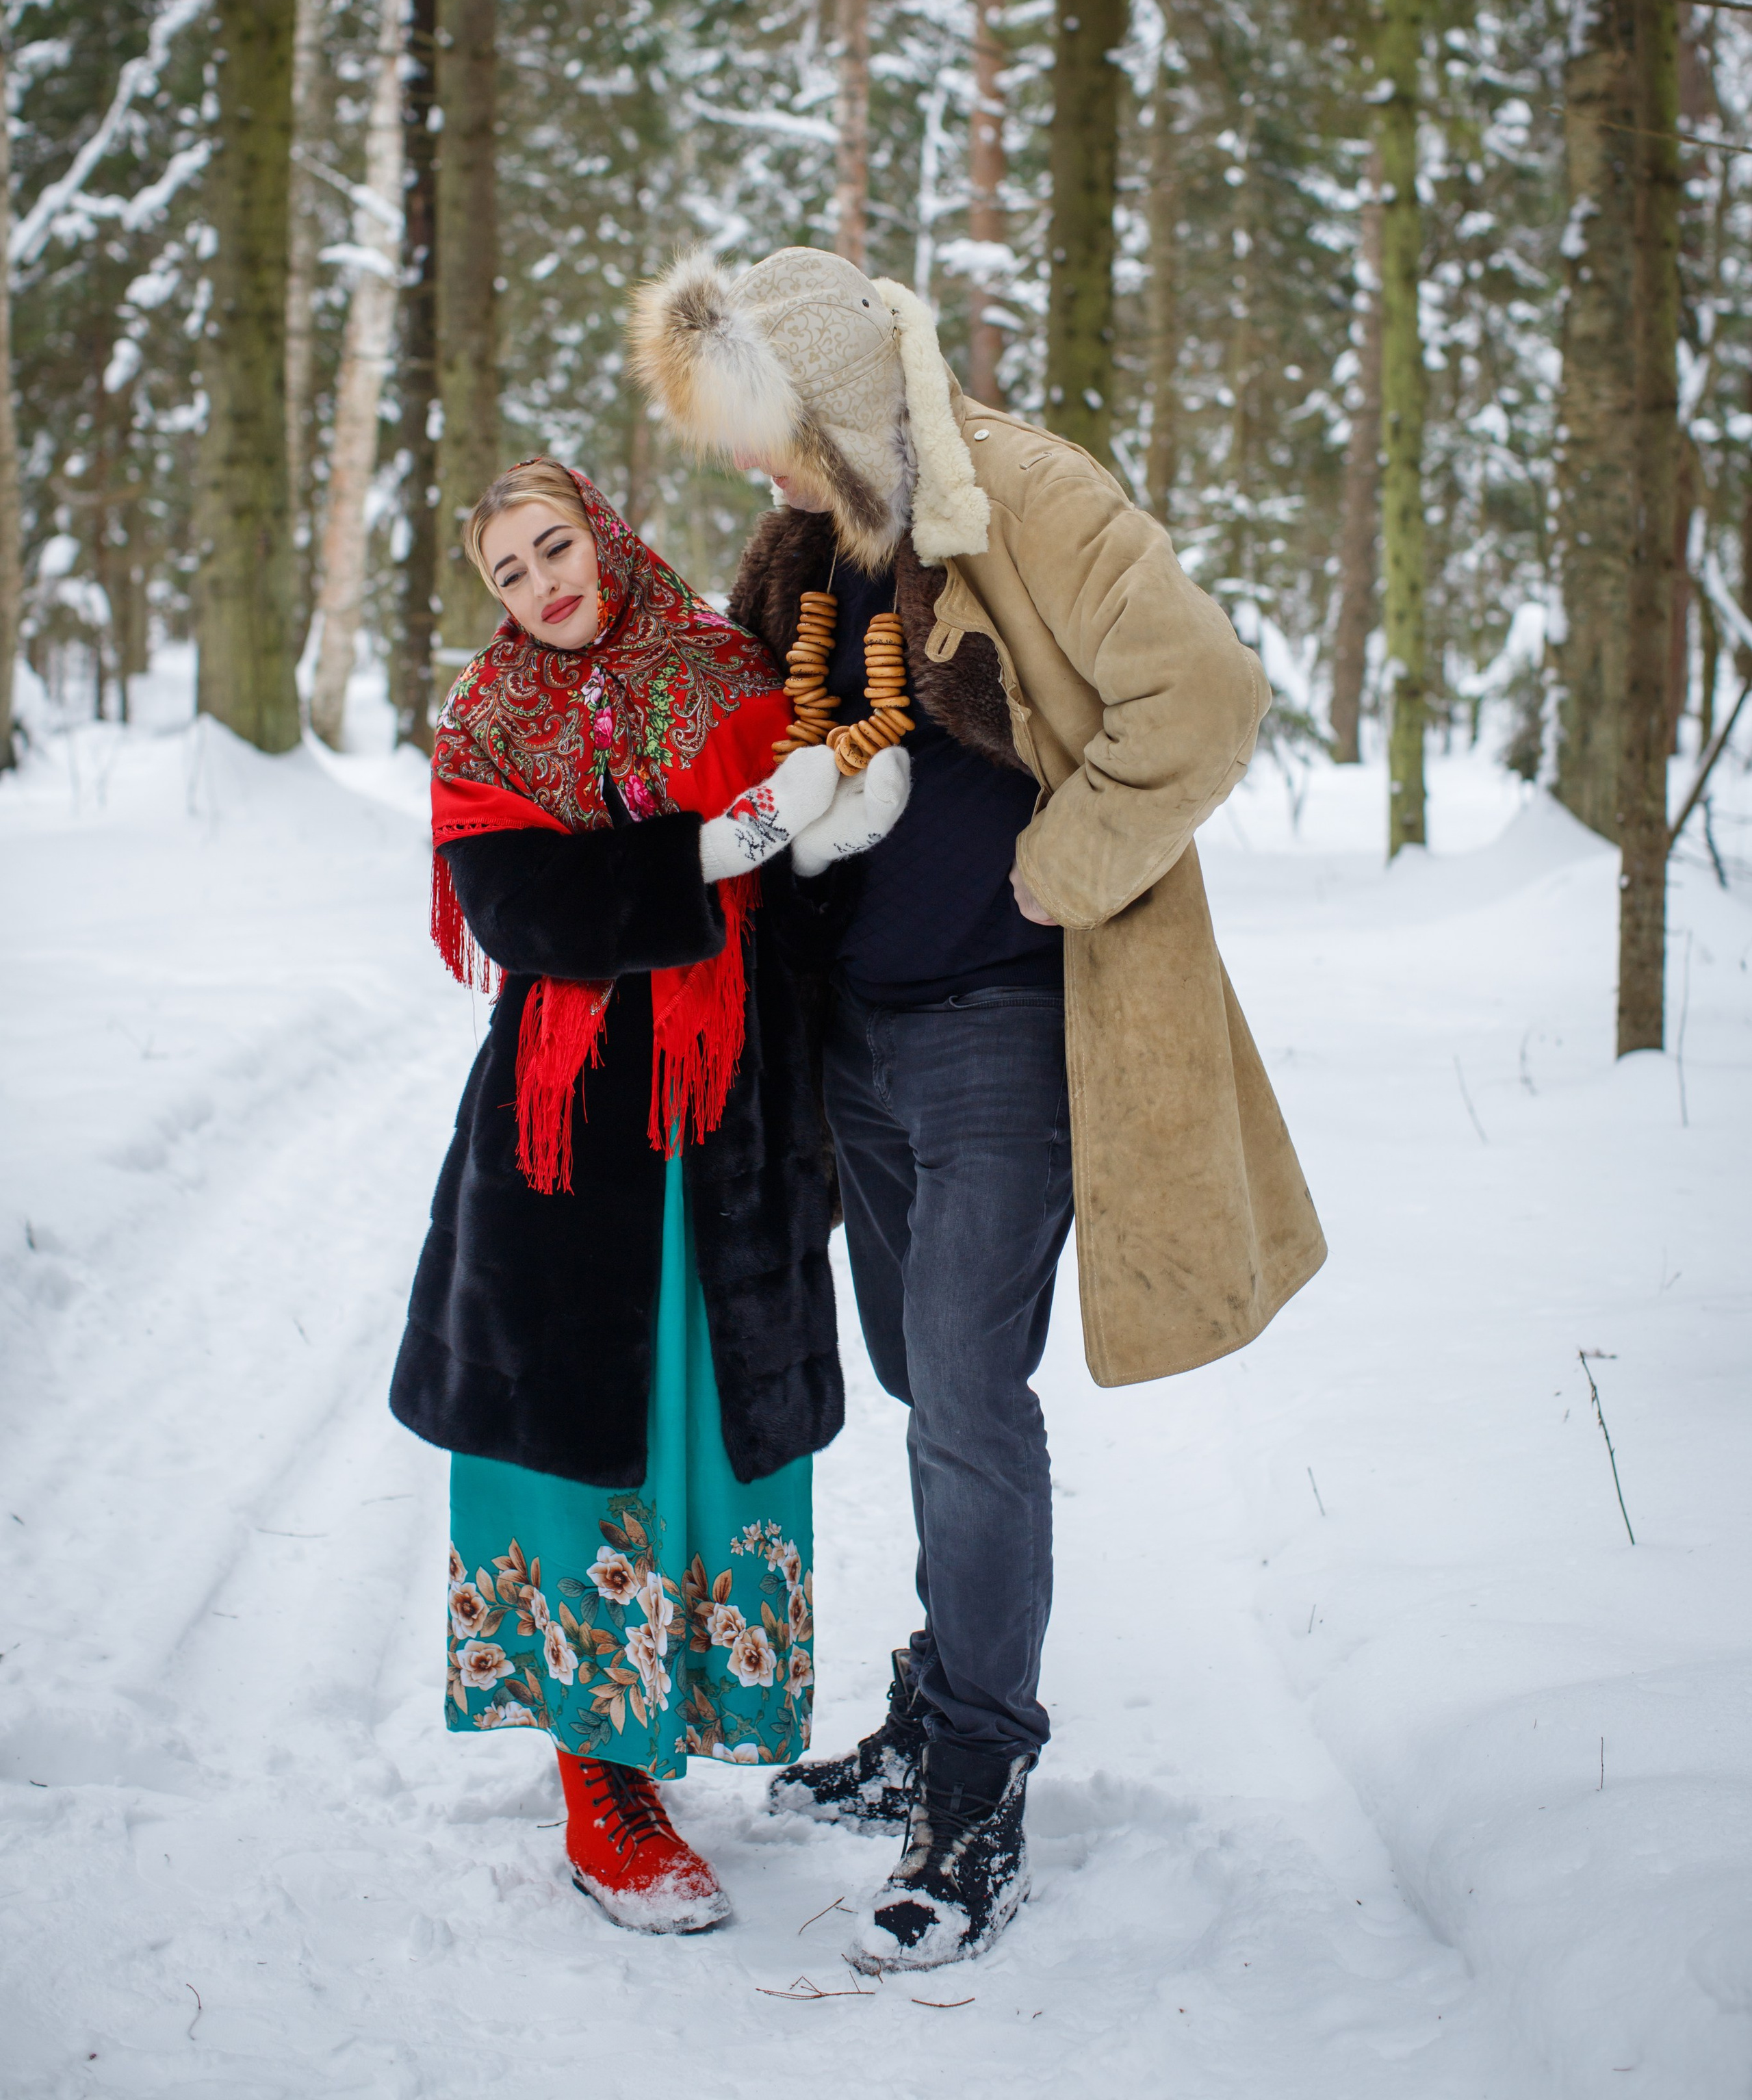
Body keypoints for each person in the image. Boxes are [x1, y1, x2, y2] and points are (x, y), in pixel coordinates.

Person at [630, 248, 1327, 1973]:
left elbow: (1204, 698)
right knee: (907, 1370)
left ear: (832, 402)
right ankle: (936, 1698)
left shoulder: (1020, 494)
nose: (743, 471)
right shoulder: (806, 547)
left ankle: (974, 1781)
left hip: (1009, 1024)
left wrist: (1052, 875)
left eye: (757, 431)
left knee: (963, 1389)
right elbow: (745, 745)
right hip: (856, 1033)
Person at [389, 457, 910, 1934]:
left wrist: (821, 833)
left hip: (734, 1124)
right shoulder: (488, 723)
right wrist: (703, 849)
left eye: (554, 546)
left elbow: (804, 905)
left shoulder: (725, 668)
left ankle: (668, 1726)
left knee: (707, 1436)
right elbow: (513, 908)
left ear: (602, 535)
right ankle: (596, 1785)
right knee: (580, 1450)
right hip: (568, 1147)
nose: (543, 583)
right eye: (509, 571)